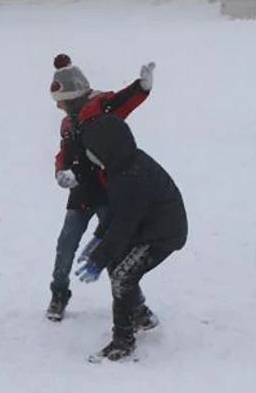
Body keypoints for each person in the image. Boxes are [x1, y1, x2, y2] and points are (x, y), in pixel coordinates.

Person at [46, 54, 155, 322]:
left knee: (114, 249)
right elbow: (65, 152)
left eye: (62, 102)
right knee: (66, 245)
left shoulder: (101, 106)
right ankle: (59, 293)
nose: (59, 107)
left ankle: (136, 306)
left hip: (109, 193)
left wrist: (141, 87)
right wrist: (61, 171)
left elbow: (124, 99)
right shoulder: (67, 122)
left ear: (75, 96)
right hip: (81, 195)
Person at [72, 115, 187, 363]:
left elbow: (125, 223)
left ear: (106, 149)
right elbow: (116, 210)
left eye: (92, 150)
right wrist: (98, 238)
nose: (90, 155)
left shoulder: (133, 175)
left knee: (123, 275)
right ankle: (140, 314)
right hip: (145, 228)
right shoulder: (121, 167)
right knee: (118, 266)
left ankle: (123, 341)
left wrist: (99, 257)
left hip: (162, 235)